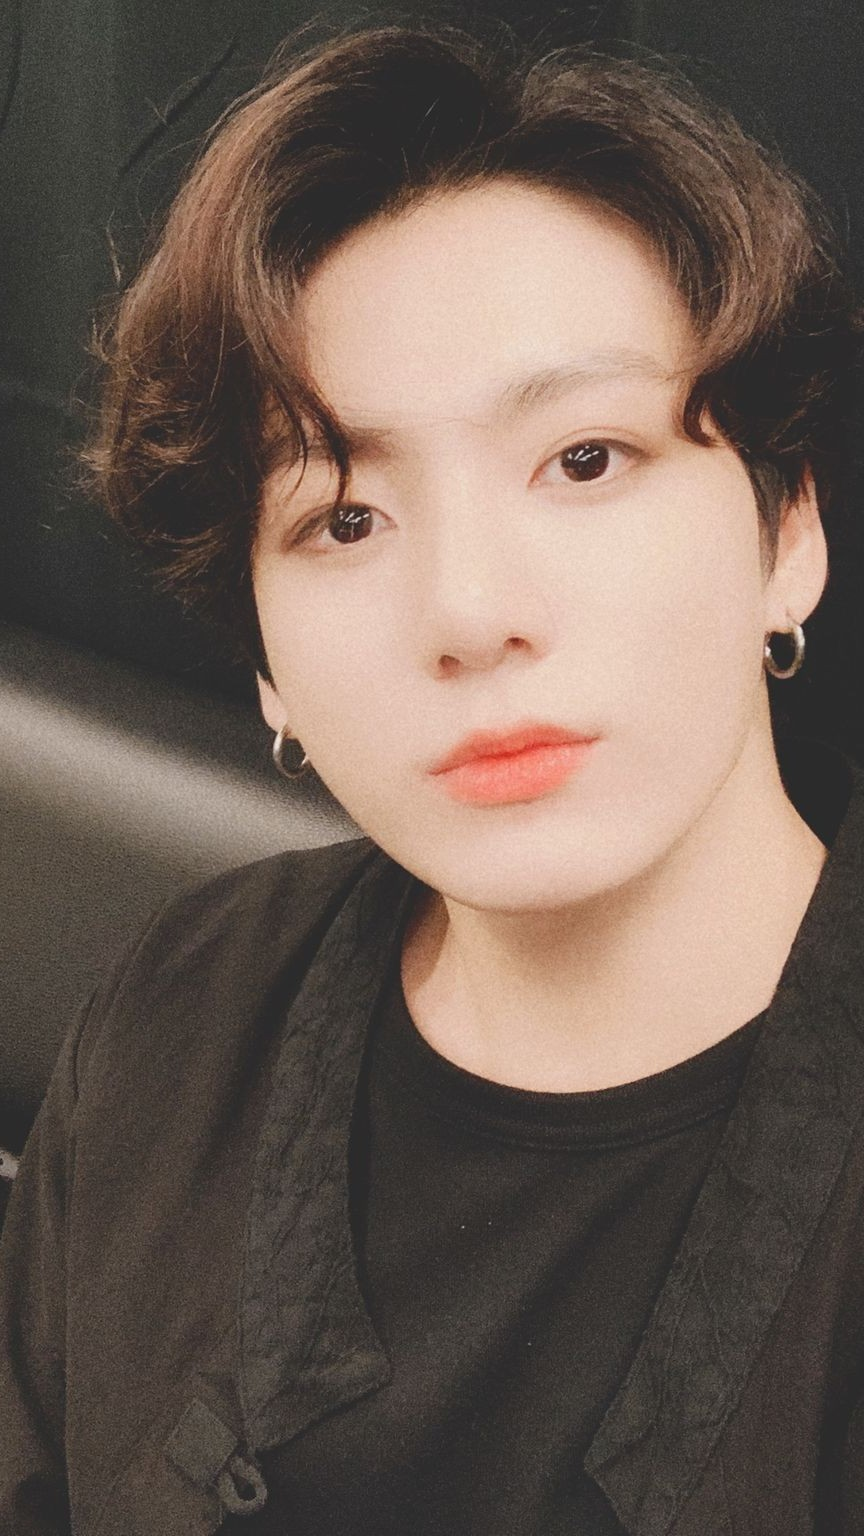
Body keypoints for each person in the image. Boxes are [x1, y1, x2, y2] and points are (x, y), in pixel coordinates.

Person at [1, 19, 863, 1535]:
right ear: (266, 666)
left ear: (786, 533)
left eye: (585, 460)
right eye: (342, 520)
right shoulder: (176, 1019)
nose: (470, 612)